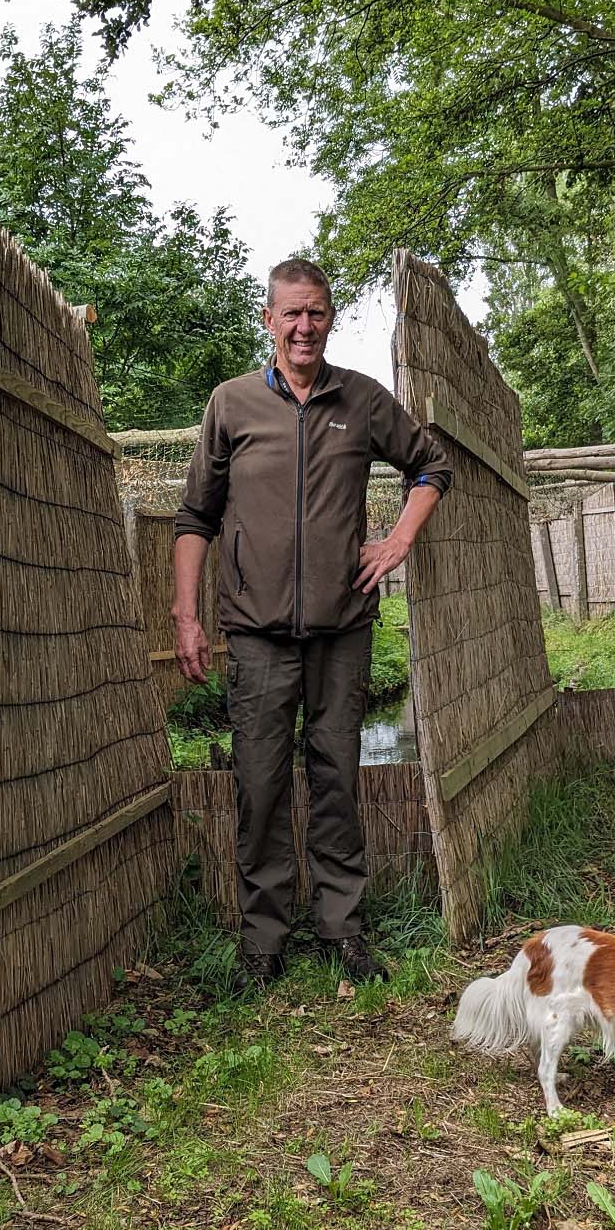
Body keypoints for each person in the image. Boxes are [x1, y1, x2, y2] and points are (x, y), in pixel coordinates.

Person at [171, 258, 453, 983]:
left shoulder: (361, 400)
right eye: (290, 314)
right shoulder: (231, 404)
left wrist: (398, 541)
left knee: (336, 779)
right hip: (257, 634)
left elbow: (433, 468)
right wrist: (186, 615)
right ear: (267, 320)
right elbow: (195, 516)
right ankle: (263, 944)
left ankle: (341, 930)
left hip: (343, 628)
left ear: (330, 319)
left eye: (317, 313)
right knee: (260, 787)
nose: (304, 327)